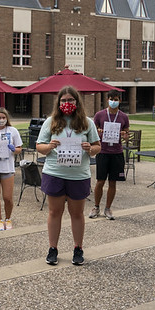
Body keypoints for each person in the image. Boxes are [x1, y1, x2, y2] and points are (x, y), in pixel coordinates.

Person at [36, 86, 101, 266]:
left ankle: (78, 248)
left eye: (70, 100)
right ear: (58, 103)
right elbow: (39, 146)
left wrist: (90, 148)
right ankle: (53, 248)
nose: (67, 103)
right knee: (54, 212)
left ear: (77, 102)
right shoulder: (50, 122)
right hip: (55, 172)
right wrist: (49, 146)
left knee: (77, 213)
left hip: (78, 175)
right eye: (63, 100)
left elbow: (97, 146)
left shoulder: (87, 122)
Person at [91, 90, 130, 220]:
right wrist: (98, 132)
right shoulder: (99, 115)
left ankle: (108, 208)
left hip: (117, 153)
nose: (114, 101)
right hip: (103, 152)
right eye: (111, 99)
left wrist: (124, 135)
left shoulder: (123, 117)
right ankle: (96, 207)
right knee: (100, 181)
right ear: (107, 100)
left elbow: (126, 135)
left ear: (120, 100)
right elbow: (92, 132)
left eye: (116, 99)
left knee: (113, 182)